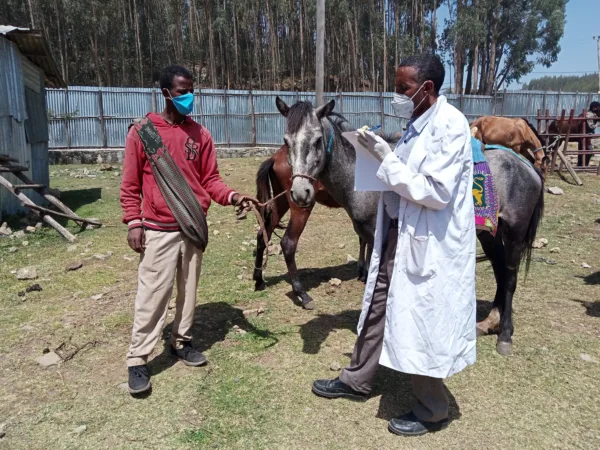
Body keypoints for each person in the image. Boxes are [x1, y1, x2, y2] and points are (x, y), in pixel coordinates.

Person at [311, 54, 476, 437]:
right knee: (377, 305)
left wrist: (387, 160)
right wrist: (375, 154)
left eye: (402, 88)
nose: (396, 94)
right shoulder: (416, 123)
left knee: (423, 320)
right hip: (397, 235)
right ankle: (356, 379)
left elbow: (434, 191)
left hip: (427, 242)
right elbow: (401, 178)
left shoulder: (450, 126)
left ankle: (434, 408)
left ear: (427, 88)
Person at [120, 65, 257, 395]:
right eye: (182, 92)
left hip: (193, 226)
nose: (189, 97)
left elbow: (210, 181)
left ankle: (181, 342)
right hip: (158, 229)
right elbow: (130, 184)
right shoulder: (143, 133)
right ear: (166, 93)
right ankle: (138, 359)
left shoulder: (201, 135)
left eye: (191, 90)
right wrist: (133, 222)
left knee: (188, 291)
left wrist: (234, 196)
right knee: (152, 296)